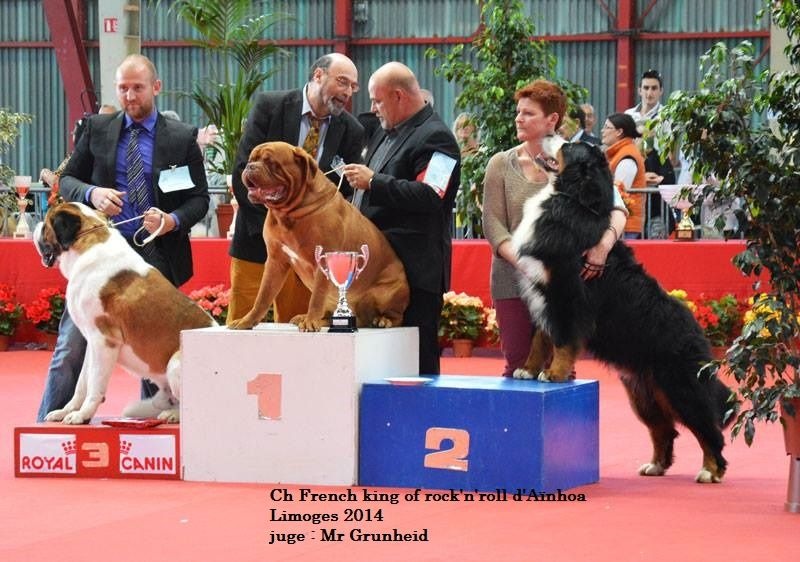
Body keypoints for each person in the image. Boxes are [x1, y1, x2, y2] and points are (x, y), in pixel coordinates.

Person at [36, 54, 210, 422]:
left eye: (138, 88)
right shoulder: (95, 128)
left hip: (156, 257)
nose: (130, 96)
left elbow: (199, 199)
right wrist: (91, 194)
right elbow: (67, 181)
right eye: (123, 88)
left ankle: (157, 440)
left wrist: (171, 220)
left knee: (155, 349)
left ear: (156, 88)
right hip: (101, 255)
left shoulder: (182, 138)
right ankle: (46, 426)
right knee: (71, 345)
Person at [482, 80, 627, 377]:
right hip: (513, 281)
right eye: (518, 112)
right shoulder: (499, 164)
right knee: (519, 366)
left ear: (552, 120)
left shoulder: (580, 158)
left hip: (566, 283)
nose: (518, 118)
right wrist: (525, 262)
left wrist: (601, 248)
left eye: (528, 113)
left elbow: (618, 209)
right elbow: (492, 224)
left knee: (561, 371)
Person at [227, 53, 364, 325]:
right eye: (342, 82)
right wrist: (274, 231)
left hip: (309, 255)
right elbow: (244, 170)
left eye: (352, 86)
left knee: (295, 332)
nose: (347, 92)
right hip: (257, 240)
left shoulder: (352, 130)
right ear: (318, 76)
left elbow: (343, 194)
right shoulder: (270, 106)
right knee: (239, 327)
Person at [342, 62, 461, 375]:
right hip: (378, 270)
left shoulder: (438, 138)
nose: (372, 109)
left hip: (414, 274)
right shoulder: (386, 133)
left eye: (377, 101)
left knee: (416, 363)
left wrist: (374, 182)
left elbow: (431, 195)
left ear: (398, 96)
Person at [625, 69, 676, 235]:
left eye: (654, 88)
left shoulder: (668, 116)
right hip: (633, 176)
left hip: (660, 176)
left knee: (658, 231)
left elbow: (672, 158)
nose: (649, 93)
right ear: (639, 90)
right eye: (646, 88)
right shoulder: (628, 116)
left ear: (661, 91)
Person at [602, 112, 647, 238]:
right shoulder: (620, 153)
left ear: (619, 132)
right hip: (621, 222)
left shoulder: (628, 156)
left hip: (626, 225)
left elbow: (619, 192)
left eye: (607, 127)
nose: (602, 131)